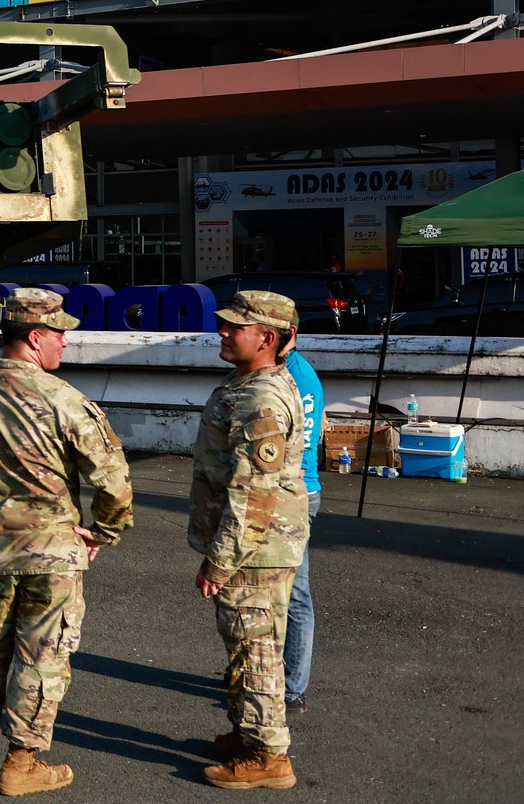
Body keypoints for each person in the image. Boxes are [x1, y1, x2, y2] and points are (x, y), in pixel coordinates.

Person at [0, 287, 134, 795]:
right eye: (60, 334)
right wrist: (105, 531)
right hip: (51, 552)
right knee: (41, 655)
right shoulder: (61, 398)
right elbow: (112, 479)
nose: (65, 344)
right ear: (34, 337)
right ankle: (21, 762)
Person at [190, 291, 310, 790]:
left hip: (254, 548)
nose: (222, 332)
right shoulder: (248, 384)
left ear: (267, 338)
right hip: (256, 544)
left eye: (234, 327)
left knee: (256, 648)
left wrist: (220, 562)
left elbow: (253, 493)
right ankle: (249, 732)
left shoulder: (261, 398)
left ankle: (269, 755)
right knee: (244, 644)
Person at [283, 338, 326, 714]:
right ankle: (274, 676)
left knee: (295, 595)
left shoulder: (297, 377)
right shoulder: (289, 372)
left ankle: (292, 687)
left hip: (295, 495)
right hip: (292, 493)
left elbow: (299, 446)